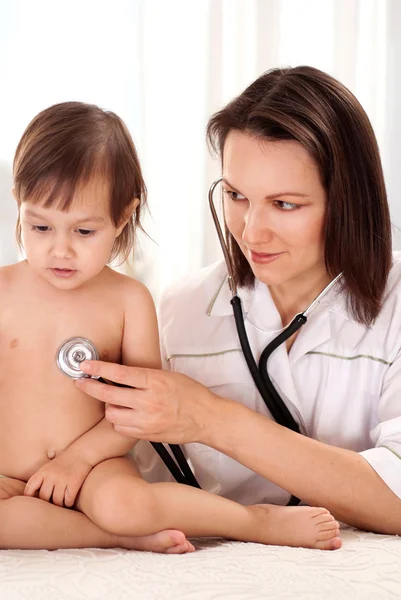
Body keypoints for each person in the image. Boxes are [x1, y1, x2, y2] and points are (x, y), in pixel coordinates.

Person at [0, 100, 341, 553]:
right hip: (8, 471)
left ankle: (250, 520)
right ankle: (116, 539)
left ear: (123, 216)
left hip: (96, 466)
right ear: (18, 205)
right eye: (41, 227)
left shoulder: (127, 301)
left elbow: (141, 410)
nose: (60, 250)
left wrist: (78, 459)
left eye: (84, 233)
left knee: (126, 505)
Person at [76, 66, 401, 537]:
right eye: (235, 195)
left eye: (285, 204)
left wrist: (209, 418)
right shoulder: (181, 311)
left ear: (348, 201)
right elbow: (130, 470)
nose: (251, 232)